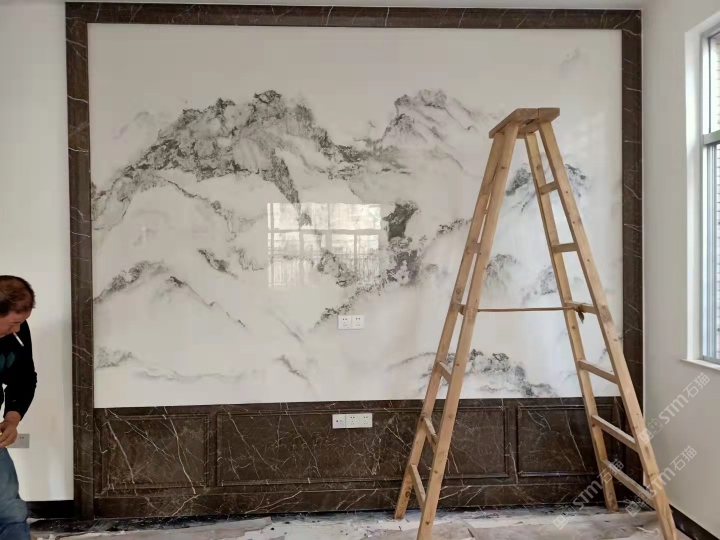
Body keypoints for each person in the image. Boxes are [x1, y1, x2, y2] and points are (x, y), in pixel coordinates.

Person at [0, 276, 37, 540]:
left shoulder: (17, 332)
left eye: (22, 322)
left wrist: (12, 419)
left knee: (9, 509)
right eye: (13, 322)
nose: (18, 329)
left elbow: (24, 379)